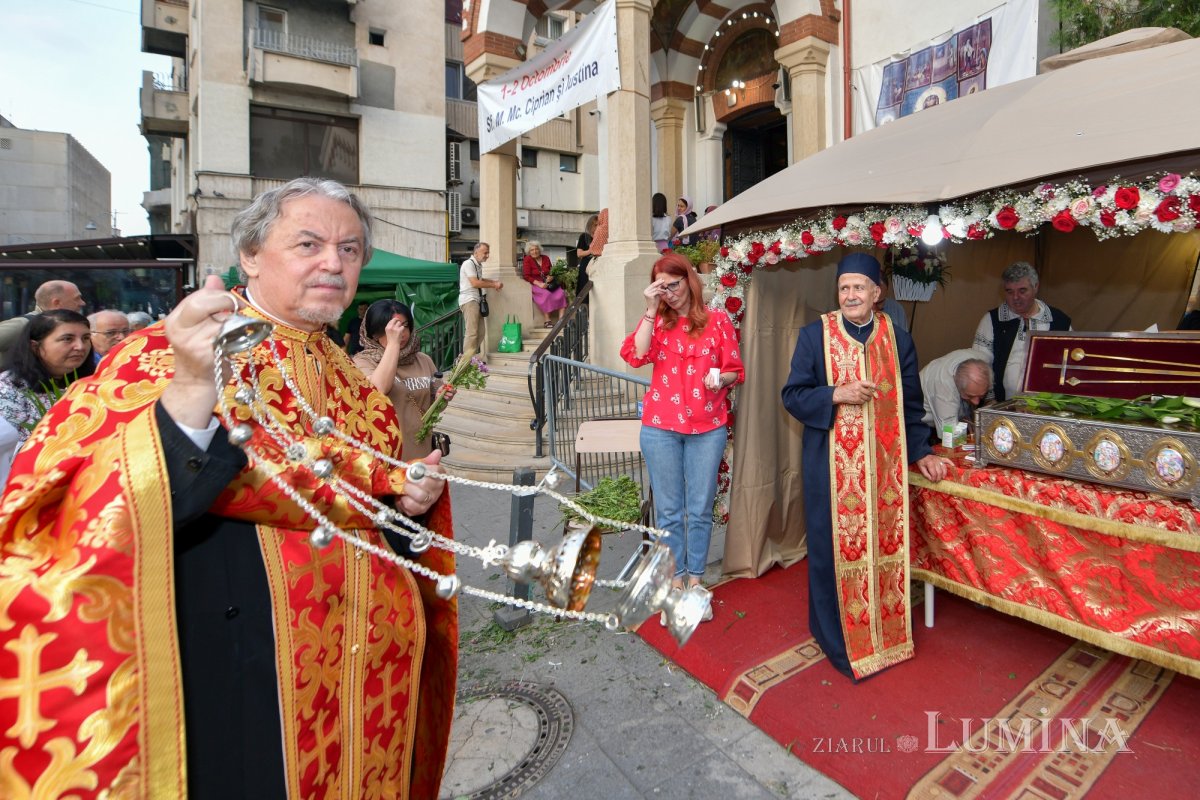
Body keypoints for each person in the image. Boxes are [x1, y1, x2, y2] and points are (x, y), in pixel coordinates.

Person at [0, 178, 457, 798]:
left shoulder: (356, 391)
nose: (334, 262)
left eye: (350, 250)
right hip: (243, 681)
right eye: (308, 243)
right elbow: (89, 503)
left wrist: (407, 501)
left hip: (371, 682)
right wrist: (190, 392)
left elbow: (373, 514)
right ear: (248, 255)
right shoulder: (168, 352)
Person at [782, 252, 950, 681]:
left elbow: (911, 404)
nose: (851, 295)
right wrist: (836, 394)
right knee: (830, 552)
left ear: (877, 293)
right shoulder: (814, 335)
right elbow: (793, 395)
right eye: (844, 288)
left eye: (859, 288)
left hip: (885, 472)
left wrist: (921, 451)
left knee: (885, 549)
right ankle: (837, 641)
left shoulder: (898, 338)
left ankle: (887, 634)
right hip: (831, 471)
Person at [620, 252, 744, 621]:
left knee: (699, 509)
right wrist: (649, 307)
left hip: (707, 428)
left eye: (673, 285)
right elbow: (636, 355)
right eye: (661, 287)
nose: (669, 293)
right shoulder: (657, 322)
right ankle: (674, 584)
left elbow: (736, 370)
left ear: (689, 280)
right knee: (671, 511)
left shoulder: (718, 320)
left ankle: (695, 582)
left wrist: (719, 378)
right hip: (661, 428)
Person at [354, 299, 454, 460]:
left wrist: (442, 396)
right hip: (386, 454)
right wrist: (393, 344)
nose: (402, 333)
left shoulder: (423, 359)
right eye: (393, 328)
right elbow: (377, 391)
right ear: (374, 333)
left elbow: (433, 408)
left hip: (422, 450)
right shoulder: (363, 362)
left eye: (405, 326)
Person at [973, 261, 1071, 401]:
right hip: (1002, 405)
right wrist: (989, 399)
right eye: (1009, 291)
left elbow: (1070, 365)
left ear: (1036, 287)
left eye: (1022, 290)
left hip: (1049, 406)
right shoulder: (992, 321)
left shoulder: (1059, 321)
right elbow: (980, 363)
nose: (1015, 298)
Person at [0, 309, 94, 450]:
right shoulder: (9, 387)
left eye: (86, 338)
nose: (80, 347)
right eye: (67, 339)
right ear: (35, 347)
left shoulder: (95, 382)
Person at [0, 279, 86, 368]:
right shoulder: (23, 325)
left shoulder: (62, 325)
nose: (82, 303)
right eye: (77, 298)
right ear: (57, 303)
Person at [919, 348, 993, 438]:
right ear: (957, 384)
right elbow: (949, 436)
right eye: (970, 396)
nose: (976, 402)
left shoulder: (984, 360)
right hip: (918, 423)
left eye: (981, 396)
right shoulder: (944, 387)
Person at [459, 241, 503, 360]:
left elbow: (480, 279)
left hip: (476, 300)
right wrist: (494, 285)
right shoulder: (468, 264)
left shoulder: (477, 264)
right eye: (485, 253)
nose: (487, 255)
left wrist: (493, 282)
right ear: (476, 252)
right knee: (472, 333)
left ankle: (468, 358)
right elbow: (475, 283)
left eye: (488, 253)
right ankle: (465, 363)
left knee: (481, 332)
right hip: (469, 300)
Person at [522, 240, 567, 328]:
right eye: (532, 250)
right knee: (546, 295)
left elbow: (551, 271)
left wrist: (551, 277)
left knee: (561, 293)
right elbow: (526, 276)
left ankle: (561, 320)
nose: (534, 251)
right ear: (529, 251)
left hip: (548, 283)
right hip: (536, 283)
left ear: (540, 250)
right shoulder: (527, 259)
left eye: (536, 249)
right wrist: (538, 284)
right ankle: (547, 320)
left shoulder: (546, 258)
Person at [575, 214, 599, 298]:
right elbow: (579, 253)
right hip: (586, 266)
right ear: (590, 225)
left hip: (597, 265)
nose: (597, 227)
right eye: (595, 225)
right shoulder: (584, 236)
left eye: (598, 225)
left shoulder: (600, 237)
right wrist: (591, 250)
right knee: (584, 288)